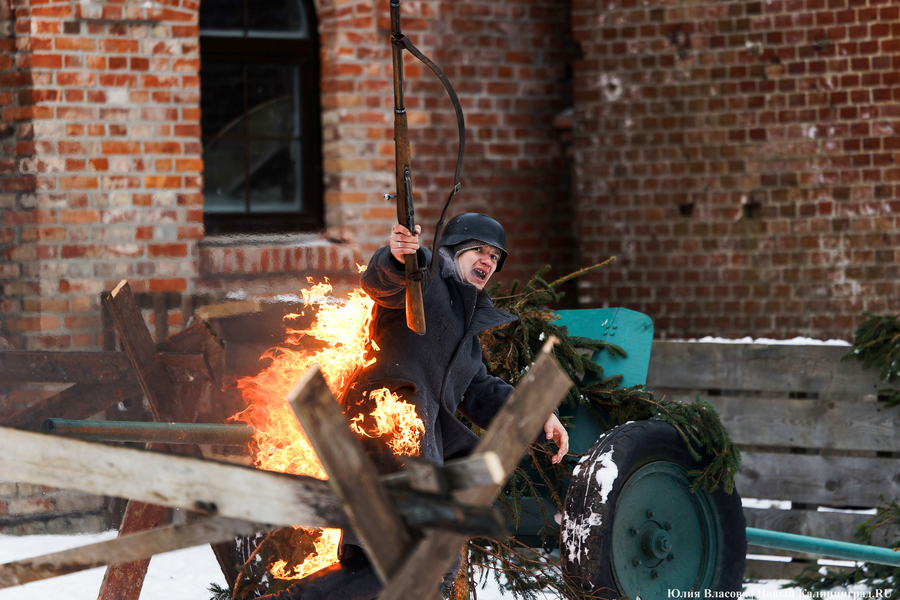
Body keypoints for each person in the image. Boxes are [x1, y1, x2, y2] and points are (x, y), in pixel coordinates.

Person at [258, 213, 568, 600]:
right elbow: (382, 282)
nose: (487, 262)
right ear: (451, 252)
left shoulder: (466, 337)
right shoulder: (424, 280)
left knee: (384, 565)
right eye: (478, 251)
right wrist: (399, 254)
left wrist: (540, 416)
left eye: (495, 256)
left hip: (417, 450)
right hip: (387, 427)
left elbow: (480, 391)